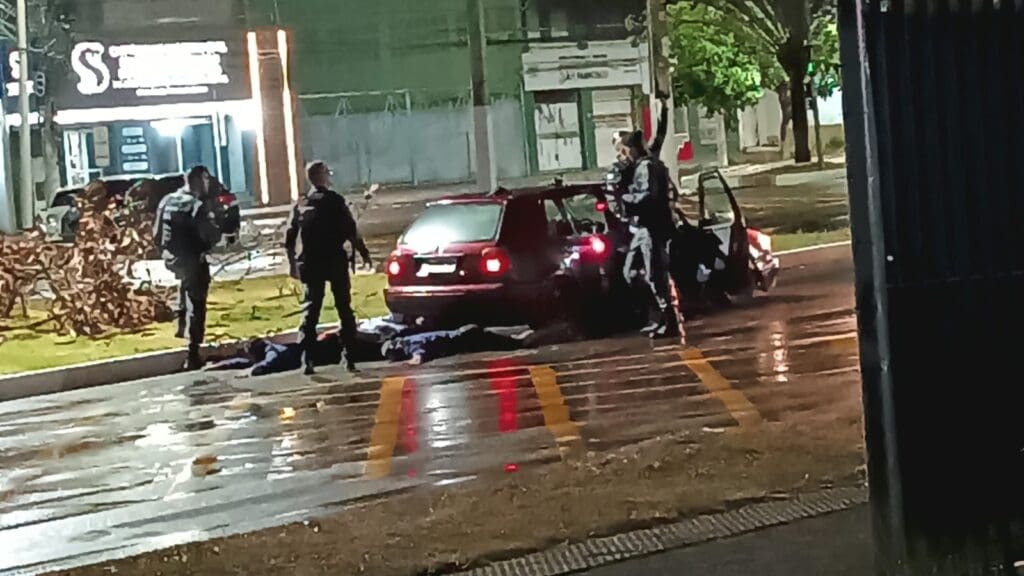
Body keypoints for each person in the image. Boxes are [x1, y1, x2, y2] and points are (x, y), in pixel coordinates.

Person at [286, 161, 372, 375]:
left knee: (311, 311)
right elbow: (350, 229)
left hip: (310, 263)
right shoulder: (334, 200)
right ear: (322, 176)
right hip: (334, 261)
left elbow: (289, 237)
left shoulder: (301, 203)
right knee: (344, 308)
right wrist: (363, 252)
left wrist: (292, 264)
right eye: (327, 173)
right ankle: (349, 357)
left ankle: (308, 360)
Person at [153, 165, 222, 370]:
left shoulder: (167, 201)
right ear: (198, 181)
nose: (208, 183)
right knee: (197, 301)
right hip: (192, 258)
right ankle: (192, 352)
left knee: (185, 285)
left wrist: (166, 252)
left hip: (172, 258)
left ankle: (180, 325)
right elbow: (210, 236)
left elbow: (156, 234)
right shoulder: (196, 205)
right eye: (206, 179)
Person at [206, 332, 343, 377]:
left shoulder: (273, 352)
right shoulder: (273, 350)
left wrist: (248, 372)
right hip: (313, 353)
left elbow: (262, 366)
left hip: (313, 355)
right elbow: (246, 363)